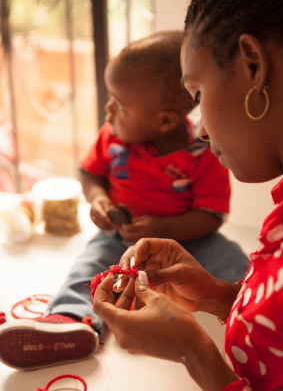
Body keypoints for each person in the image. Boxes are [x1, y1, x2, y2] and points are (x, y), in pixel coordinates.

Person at [0, 30, 248, 370]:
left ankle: (260, 305)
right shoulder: (113, 136)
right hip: (121, 238)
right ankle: (69, 323)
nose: (108, 108)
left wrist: (164, 227)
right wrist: (99, 199)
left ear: (164, 121)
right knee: (88, 269)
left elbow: (211, 215)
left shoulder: (202, 151)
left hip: (193, 240)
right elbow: (89, 174)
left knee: (234, 260)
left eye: (119, 103)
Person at [92, 0, 283, 390]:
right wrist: (217, 295)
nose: (201, 129)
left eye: (199, 96)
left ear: (253, 65)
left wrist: (193, 351)